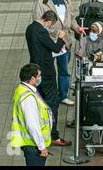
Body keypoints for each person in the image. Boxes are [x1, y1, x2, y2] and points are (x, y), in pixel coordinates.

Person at [33, 0, 87, 107]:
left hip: (65, 42)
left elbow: (71, 18)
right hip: (49, 43)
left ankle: (63, 95)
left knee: (64, 70)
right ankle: (48, 94)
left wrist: (76, 28)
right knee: (48, 71)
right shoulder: (42, 3)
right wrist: (57, 32)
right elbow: (38, 24)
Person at [25, 11, 71, 147]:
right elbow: (56, 48)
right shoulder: (41, 31)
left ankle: (40, 132)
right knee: (52, 103)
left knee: (39, 104)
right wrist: (61, 38)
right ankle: (53, 135)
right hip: (46, 74)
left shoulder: (30, 28)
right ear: (49, 21)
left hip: (35, 71)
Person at [10, 63, 53, 166]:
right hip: (33, 146)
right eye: (39, 76)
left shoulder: (23, 89)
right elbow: (32, 124)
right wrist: (42, 147)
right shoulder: (28, 98)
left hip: (32, 144)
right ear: (32, 79)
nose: (40, 78)